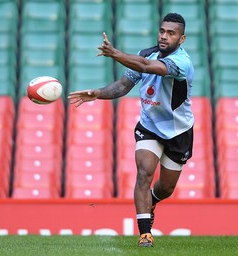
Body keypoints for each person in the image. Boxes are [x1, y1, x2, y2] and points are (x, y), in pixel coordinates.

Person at [68, 13, 194, 247]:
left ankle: (153, 200)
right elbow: (124, 85)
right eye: (162, 31)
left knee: (166, 188)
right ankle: (145, 233)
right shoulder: (145, 53)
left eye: (171, 33)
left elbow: (148, 67)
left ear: (182, 38)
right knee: (144, 172)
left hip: (179, 131)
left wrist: (114, 53)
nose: (164, 36)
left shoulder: (182, 62)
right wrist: (98, 93)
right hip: (149, 127)